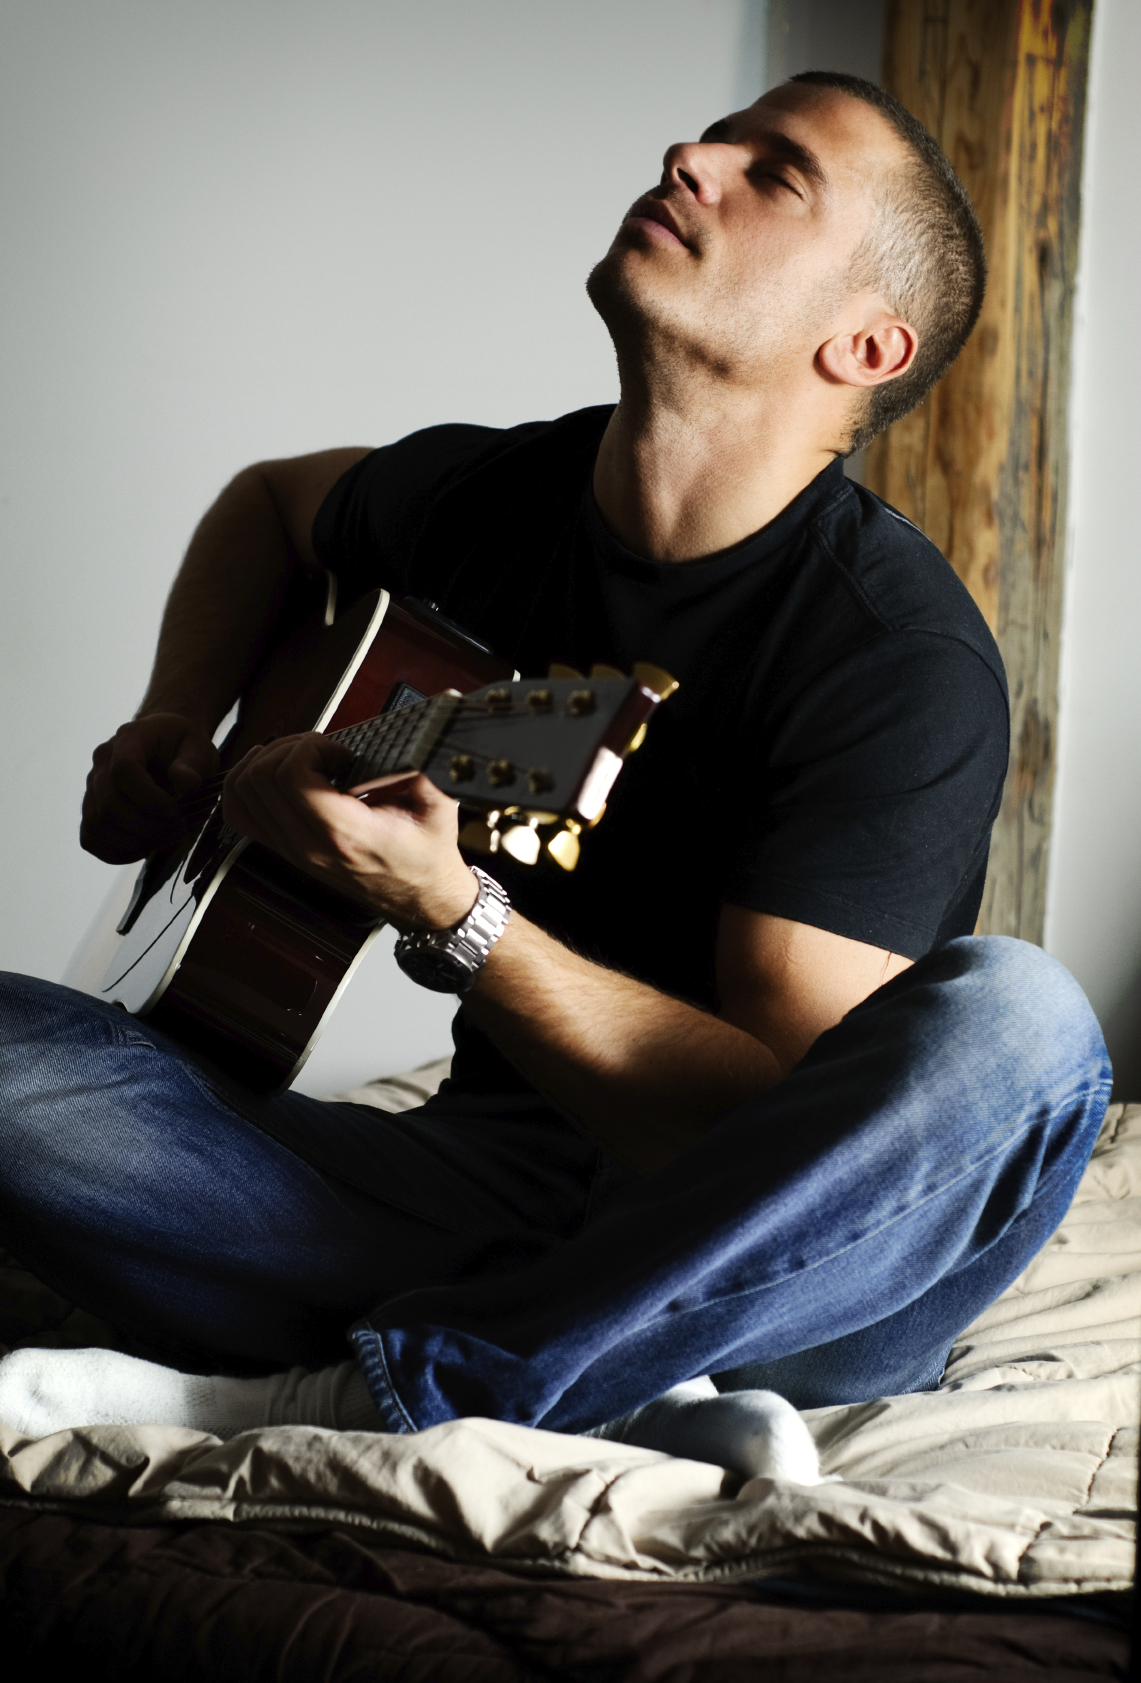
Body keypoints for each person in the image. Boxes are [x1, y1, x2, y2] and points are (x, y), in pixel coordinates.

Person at [0, 73, 1110, 1475]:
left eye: (774, 173)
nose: (691, 154)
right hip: (480, 1189)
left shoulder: (891, 651)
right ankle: (613, 1397)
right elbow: (271, 504)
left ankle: (368, 1394)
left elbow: (757, 1134)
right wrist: (177, 719)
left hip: (784, 1296)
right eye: (718, 137)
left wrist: (455, 916)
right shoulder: (496, 503)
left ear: (863, 345)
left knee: (1023, 1023)